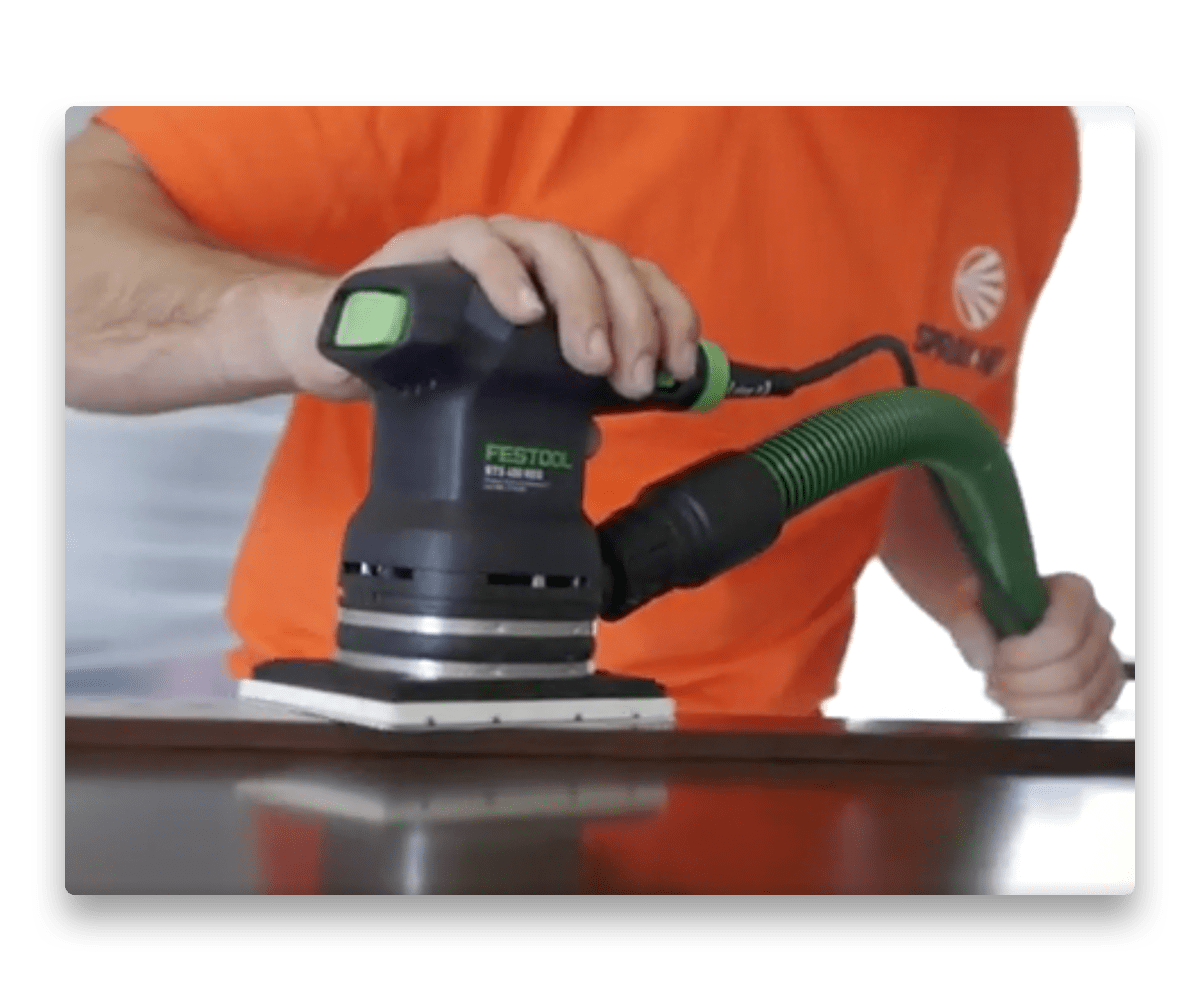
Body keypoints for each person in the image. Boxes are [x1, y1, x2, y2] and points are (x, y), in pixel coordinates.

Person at [64, 106, 1126, 723]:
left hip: (762, 777)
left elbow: (909, 433)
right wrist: (329, 324)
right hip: (365, 735)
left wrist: (983, 607)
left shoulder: (1026, 133)